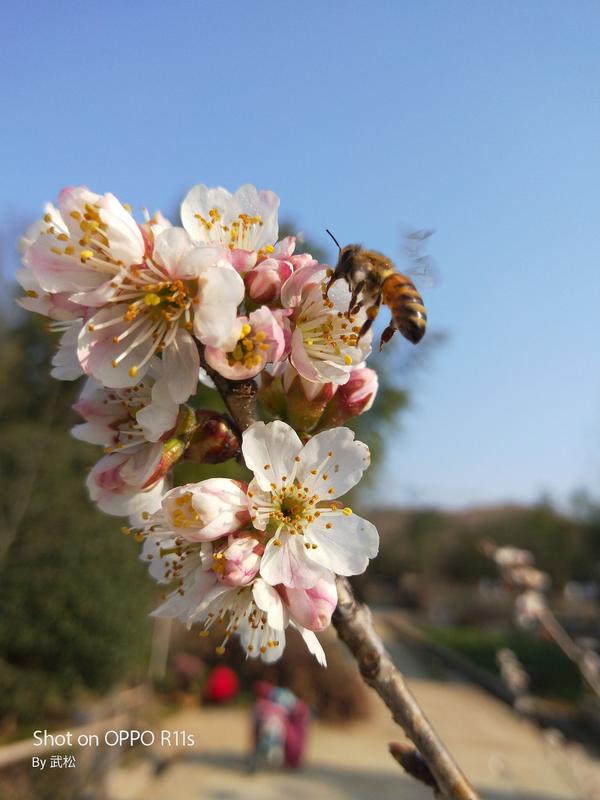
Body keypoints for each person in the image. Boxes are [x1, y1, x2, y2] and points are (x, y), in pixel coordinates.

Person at [250, 681, 310, 770]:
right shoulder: (267, 703)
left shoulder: (292, 705)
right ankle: (266, 752)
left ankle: (269, 752)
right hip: (272, 729)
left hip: (279, 733)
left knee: (272, 733)